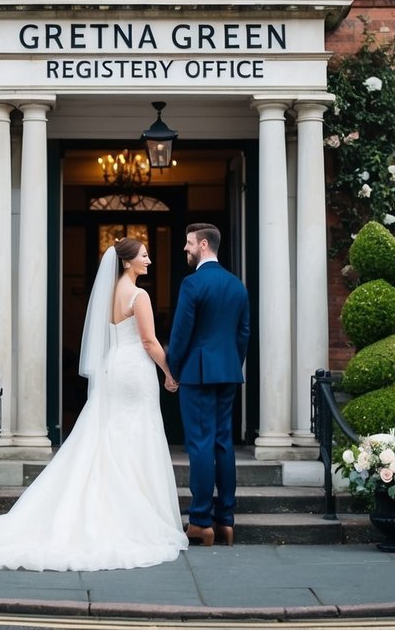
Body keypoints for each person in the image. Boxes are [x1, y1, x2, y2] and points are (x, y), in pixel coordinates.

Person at [0, 237, 187, 571]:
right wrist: (169, 371)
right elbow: (148, 340)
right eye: (144, 256)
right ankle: (135, 516)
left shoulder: (108, 294)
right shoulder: (139, 295)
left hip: (115, 366)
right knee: (137, 434)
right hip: (134, 369)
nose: (149, 261)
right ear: (127, 261)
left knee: (113, 433)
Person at [166, 223, 251, 548]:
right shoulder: (236, 285)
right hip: (228, 371)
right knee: (222, 443)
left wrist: (172, 370)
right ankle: (225, 519)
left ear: (203, 244)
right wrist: (231, 363)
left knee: (200, 445)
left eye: (188, 244)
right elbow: (243, 333)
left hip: (197, 374)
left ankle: (201, 521)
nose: (185, 249)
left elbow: (181, 333)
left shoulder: (193, 284)